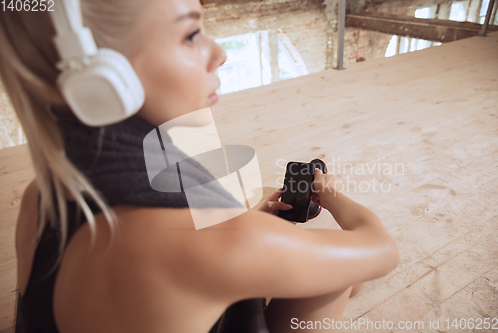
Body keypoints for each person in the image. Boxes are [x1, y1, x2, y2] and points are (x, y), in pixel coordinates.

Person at [0, 0, 400, 332]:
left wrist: (248, 225)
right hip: (210, 255)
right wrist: (329, 195)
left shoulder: (42, 195)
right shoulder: (214, 245)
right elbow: (381, 249)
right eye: (191, 35)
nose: (220, 53)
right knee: (345, 274)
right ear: (105, 80)